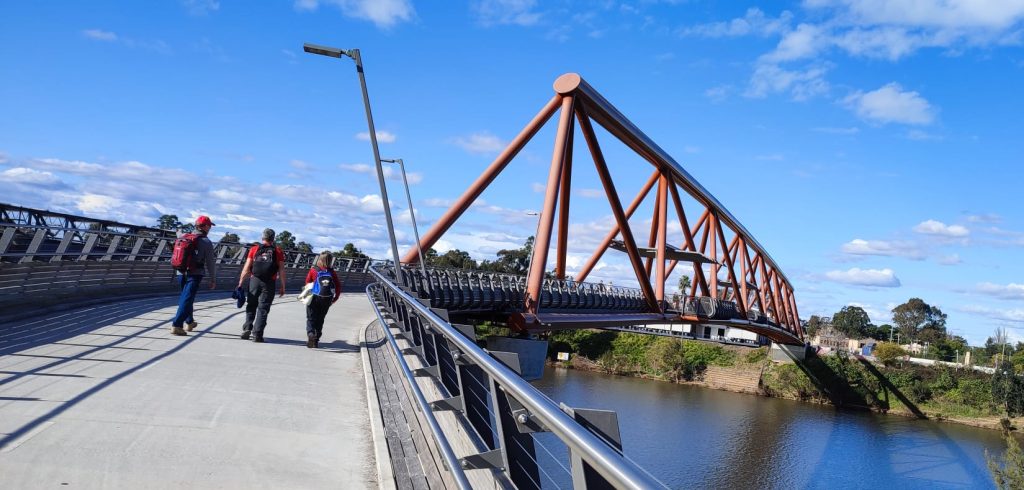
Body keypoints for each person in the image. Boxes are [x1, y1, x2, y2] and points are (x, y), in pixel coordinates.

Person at [237, 228, 286, 342]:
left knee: (251, 305)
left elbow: (247, 267)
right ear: (273, 238)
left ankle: (247, 328)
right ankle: (257, 335)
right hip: (269, 282)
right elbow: (281, 270)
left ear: (262, 237)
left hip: (254, 280)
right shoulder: (278, 251)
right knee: (263, 308)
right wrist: (283, 286)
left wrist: (240, 282)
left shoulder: (254, 249)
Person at [170, 216, 217, 336]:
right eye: (209, 226)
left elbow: (178, 234)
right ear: (205, 227)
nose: (210, 228)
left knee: (186, 297)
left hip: (180, 272)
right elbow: (210, 262)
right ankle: (177, 325)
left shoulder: (183, 236)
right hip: (195, 273)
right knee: (187, 299)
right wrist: (213, 279)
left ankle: (189, 322)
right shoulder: (206, 242)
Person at [303, 251, 342, 348]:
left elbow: (307, 283)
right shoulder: (332, 272)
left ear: (319, 259)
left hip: (314, 297)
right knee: (320, 319)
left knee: (311, 318)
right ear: (330, 260)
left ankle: (311, 334)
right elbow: (338, 285)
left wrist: (306, 296)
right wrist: (335, 297)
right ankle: (316, 340)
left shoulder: (313, 270)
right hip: (327, 298)